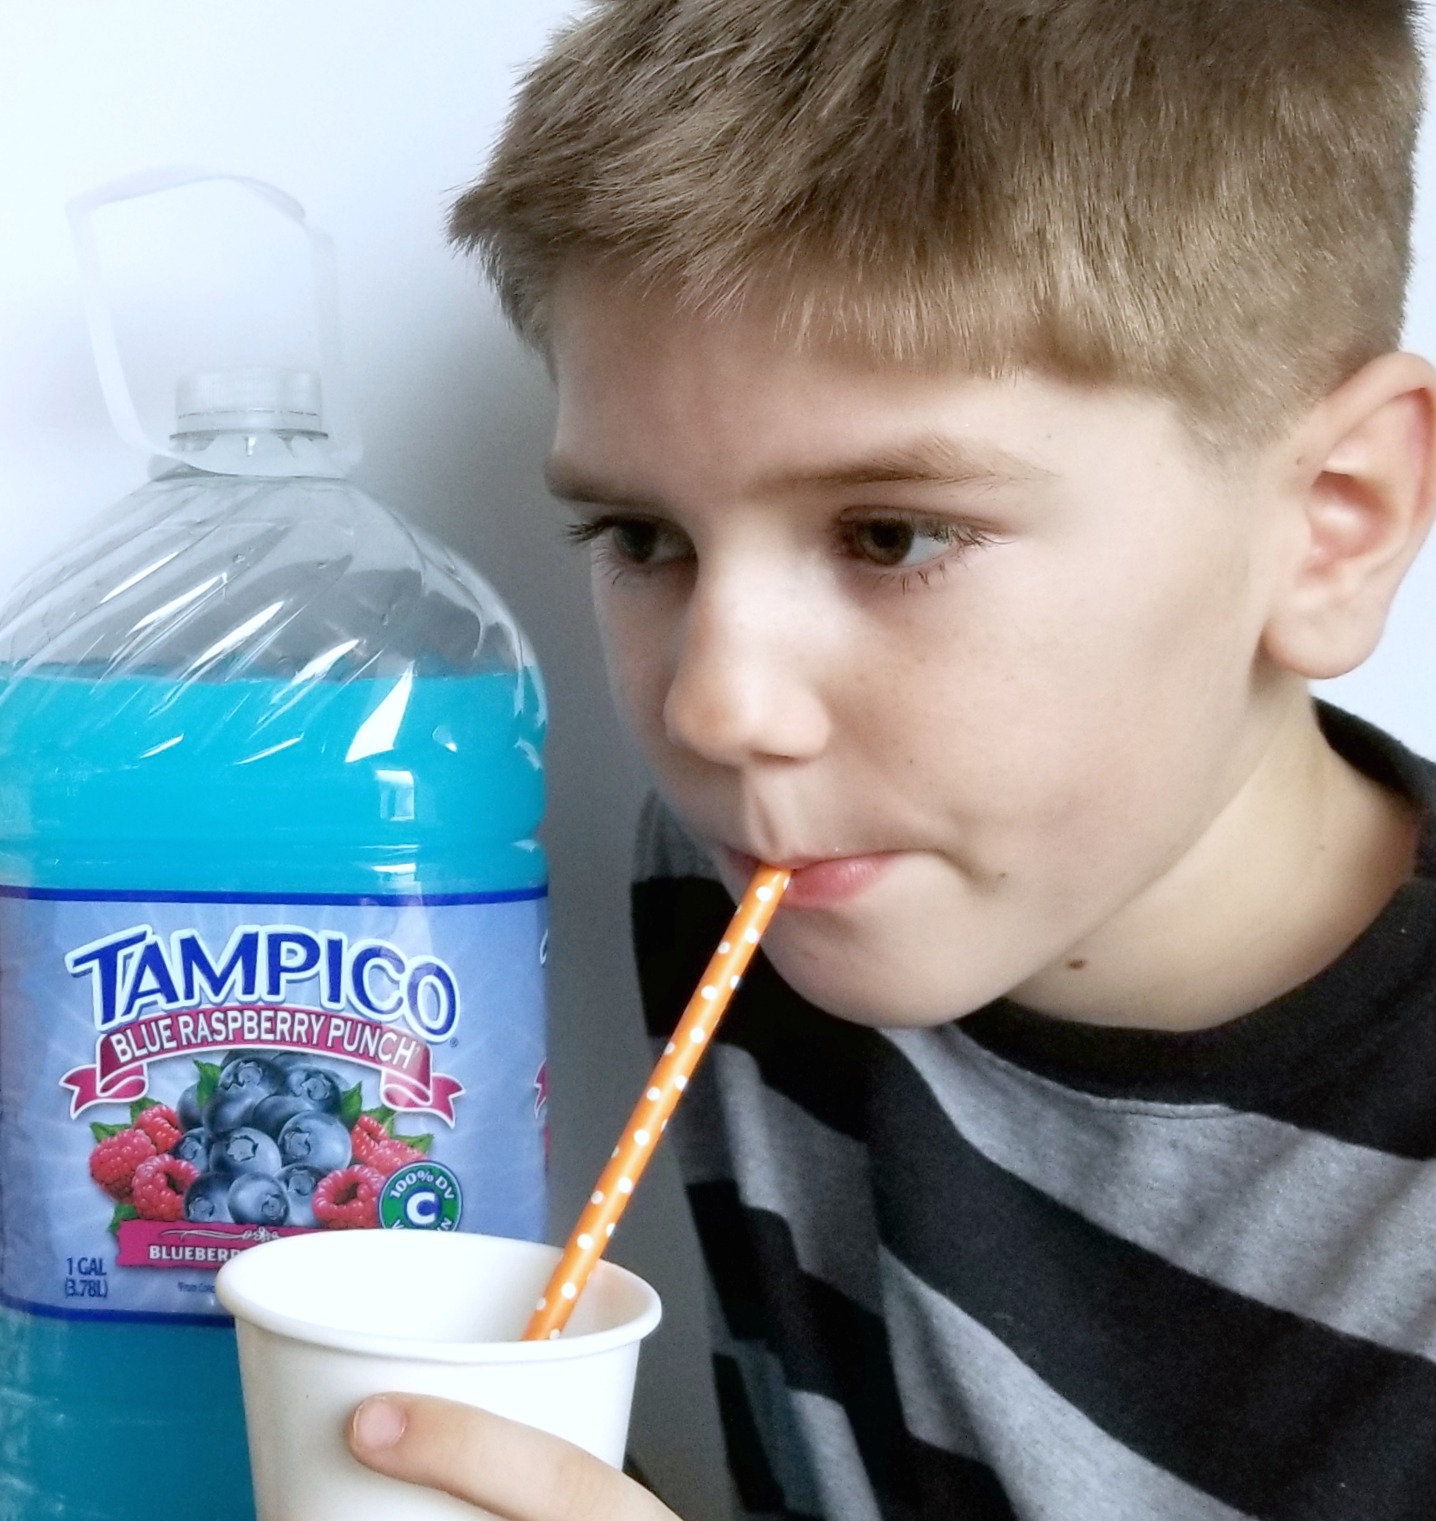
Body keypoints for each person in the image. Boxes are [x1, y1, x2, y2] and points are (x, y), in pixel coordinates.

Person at [348, 0, 1436, 1515]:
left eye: (893, 534)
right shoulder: (766, 893)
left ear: (1334, 522)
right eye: (642, 537)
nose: (715, 708)